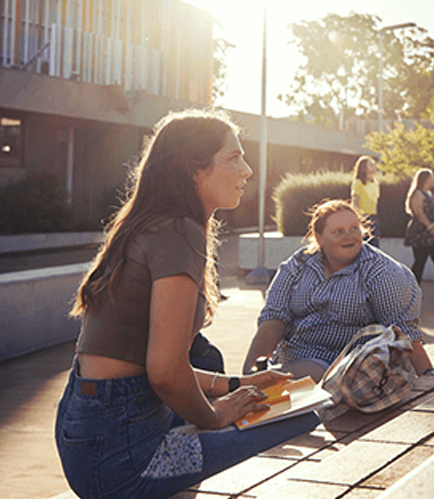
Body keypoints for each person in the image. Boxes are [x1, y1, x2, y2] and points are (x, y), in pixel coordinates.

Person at [55, 110, 319, 499]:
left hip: (91, 432)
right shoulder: (180, 231)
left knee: (210, 360)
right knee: (301, 420)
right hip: (124, 458)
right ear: (193, 171)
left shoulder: (147, 224)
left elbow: (152, 365)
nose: (247, 170)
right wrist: (216, 416)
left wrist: (238, 385)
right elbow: (163, 371)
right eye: (233, 158)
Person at [242, 199, 432, 381]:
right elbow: (274, 320)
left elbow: (404, 334)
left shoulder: (381, 271)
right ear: (319, 237)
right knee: (258, 386)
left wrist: (432, 381)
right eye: (338, 231)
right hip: (290, 360)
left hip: (352, 368)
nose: (349, 237)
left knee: (293, 379)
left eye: (354, 229)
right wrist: (249, 376)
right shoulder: (298, 264)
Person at [404, 168, 434, 298]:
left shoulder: (430, 193)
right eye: (431, 177)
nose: (433, 180)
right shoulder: (418, 194)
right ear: (424, 180)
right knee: (420, 261)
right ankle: (414, 289)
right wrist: (430, 227)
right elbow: (419, 212)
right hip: (421, 234)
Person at [350, 155, 382, 247]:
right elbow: (354, 203)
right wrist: (357, 220)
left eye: (374, 164)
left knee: (375, 248)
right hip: (362, 219)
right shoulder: (358, 183)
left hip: (373, 218)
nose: (374, 166)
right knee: (361, 247)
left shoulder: (375, 184)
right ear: (364, 168)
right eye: (371, 165)